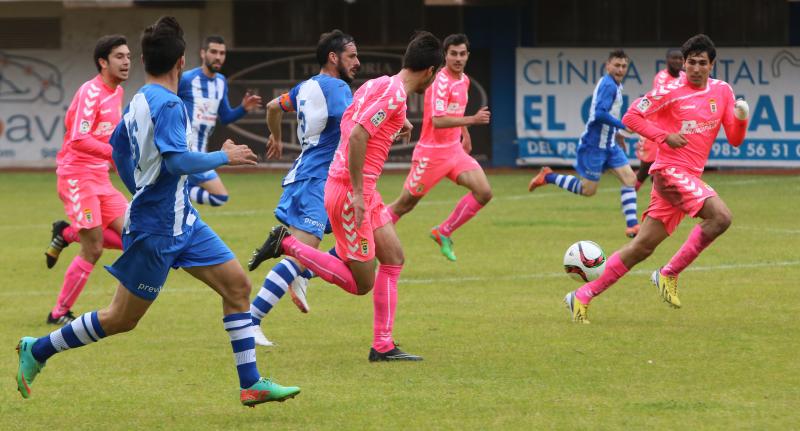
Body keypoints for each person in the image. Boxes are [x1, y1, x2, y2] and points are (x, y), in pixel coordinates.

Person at [16, 16, 300, 407]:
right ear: (181, 62)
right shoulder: (168, 105)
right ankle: (39, 349)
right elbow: (176, 162)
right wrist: (225, 155)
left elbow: (118, 147)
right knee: (120, 319)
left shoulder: (137, 100)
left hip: (185, 221)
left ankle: (251, 384)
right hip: (156, 229)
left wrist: (138, 186)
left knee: (237, 285)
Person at [248, 31, 443, 361]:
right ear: (431, 71)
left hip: (359, 188)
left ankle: (383, 346)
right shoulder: (394, 96)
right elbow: (356, 134)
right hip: (351, 193)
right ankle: (287, 244)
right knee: (361, 283)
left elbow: (353, 118)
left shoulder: (379, 84)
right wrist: (356, 192)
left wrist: (395, 125)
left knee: (394, 256)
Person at [563, 34, 749, 323]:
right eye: (691, 62)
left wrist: (741, 118)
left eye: (702, 63)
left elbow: (735, 140)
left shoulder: (723, 91)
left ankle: (581, 296)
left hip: (688, 176)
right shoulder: (670, 91)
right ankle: (668, 273)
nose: (695, 68)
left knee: (642, 247)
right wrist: (664, 136)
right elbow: (631, 118)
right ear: (684, 64)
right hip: (669, 171)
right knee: (721, 217)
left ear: (712, 65)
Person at [247, 29, 360, 346]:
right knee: (300, 252)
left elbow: (272, 107)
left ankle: (302, 274)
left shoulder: (305, 87)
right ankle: (251, 320)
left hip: (314, 176)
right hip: (317, 180)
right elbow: (354, 121)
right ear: (334, 58)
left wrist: (276, 136)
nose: (358, 62)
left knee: (355, 245)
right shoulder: (337, 87)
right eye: (352, 56)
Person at [43, 35, 131, 325]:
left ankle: (68, 233)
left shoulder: (117, 93)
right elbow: (79, 138)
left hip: (100, 177)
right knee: (92, 248)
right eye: (119, 56)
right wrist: (114, 153)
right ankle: (58, 313)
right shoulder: (90, 92)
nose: (126, 61)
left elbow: (108, 135)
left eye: (128, 56)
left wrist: (116, 160)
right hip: (76, 177)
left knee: (134, 236)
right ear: (102, 62)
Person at [386, 34, 491, 262]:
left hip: (453, 150)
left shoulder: (464, 80)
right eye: (453, 53)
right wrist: (472, 121)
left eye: (462, 54)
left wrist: (465, 134)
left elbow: (457, 110)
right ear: (445, 55)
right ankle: (372, 235)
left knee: (484, 192)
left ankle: (443, 231)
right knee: (404, 205)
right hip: (431, 154)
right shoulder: (439, 82)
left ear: (468, 56)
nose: (458, 58)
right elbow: (438, 120)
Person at [528, 50, 641, 238]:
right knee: (587, 190)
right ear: (608, 65)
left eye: (623, 66)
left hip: (609, 144)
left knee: (630, 179)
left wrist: (618, 134)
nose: (620, 69)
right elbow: (600, 113)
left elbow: (609, 113)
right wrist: (623, 126)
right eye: (616, 65)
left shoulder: (616, 85)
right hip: (594, 145)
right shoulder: (609, 85)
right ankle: (548, 176)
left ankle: (632, 226)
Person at [177, 35, 262, 207]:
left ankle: (178, 193)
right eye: (213, 52)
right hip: (187, 151)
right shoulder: (186, 79)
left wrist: (243, 108)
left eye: (222, 53)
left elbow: (226, 117)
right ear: (203, 53)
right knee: (220, 196)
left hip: (202, 152)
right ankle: (178, 193)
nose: (218, 57)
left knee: (208, 201)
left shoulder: (221, 82)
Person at [635, 48, 685, 191]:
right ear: (667, 60)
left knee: (665, 171)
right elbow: (665, 101)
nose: (677, 61)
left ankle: (659, 198)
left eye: (680, 58)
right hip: (655, 129)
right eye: (674, 58)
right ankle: (629, 194)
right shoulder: (662, 78)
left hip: (671, 129)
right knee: (644, 170)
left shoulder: (684, 76)